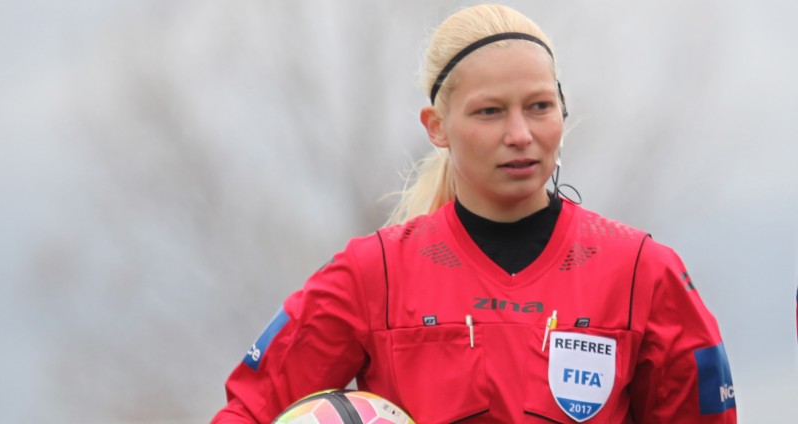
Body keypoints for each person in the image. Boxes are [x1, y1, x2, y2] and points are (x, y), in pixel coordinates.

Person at [212, 4, 736, 423]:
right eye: (490, 111)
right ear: (436, 127)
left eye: (539, 106)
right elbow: (249, 412)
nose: (520, 135)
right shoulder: (374, 275)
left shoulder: (643, 272)